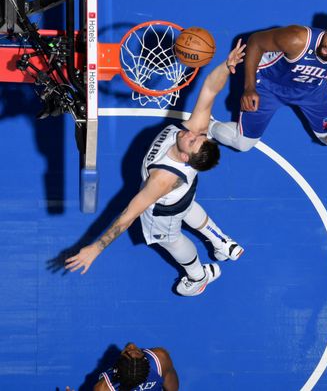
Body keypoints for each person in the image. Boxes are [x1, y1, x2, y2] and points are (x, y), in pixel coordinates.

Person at [65, 41, 247, 296]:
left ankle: (198, 276)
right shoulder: (194, 132)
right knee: (189, 207)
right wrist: (227, 67)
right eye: (199, 137)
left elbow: (129, 215)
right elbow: (209, 90)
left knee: (171, 241)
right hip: (184, 193)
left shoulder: (162, 179)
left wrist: (95, 248)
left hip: (163, 209)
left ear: (185, 156)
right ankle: (221, 241)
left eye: (193, 140)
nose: (193, 133)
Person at [208, 11, 327, 171]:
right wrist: (249, 87)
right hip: (268, 85)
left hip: (311, 90)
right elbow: (256, 42)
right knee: (242, 143)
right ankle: (207, 126)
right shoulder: (297, 38)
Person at [95, 342, 178, 390]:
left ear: (117, 369)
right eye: (137, 353)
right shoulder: (160, 360)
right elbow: (173, 388)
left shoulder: (104, 388)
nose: (131, 346)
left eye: (127, 353)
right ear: (146, 361)